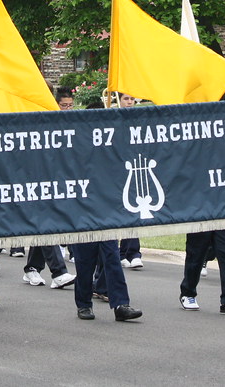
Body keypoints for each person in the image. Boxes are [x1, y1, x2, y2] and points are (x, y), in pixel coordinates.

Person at [58, 89, 142, 322]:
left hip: (107, 211)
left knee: (112, 257)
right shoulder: (75, 146)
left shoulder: (112, 146)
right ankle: (84, 304)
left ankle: (121, 304)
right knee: (85, 261)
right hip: (83, 211)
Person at [115, 91, 144, 270]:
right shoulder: (115, 119)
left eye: (132, 99)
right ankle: (123, 252)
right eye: (126, 98)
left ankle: (133, 252)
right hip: (119, 170)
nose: (129, 102)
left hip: (136, 168)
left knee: (135, 210)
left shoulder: (138, 119)